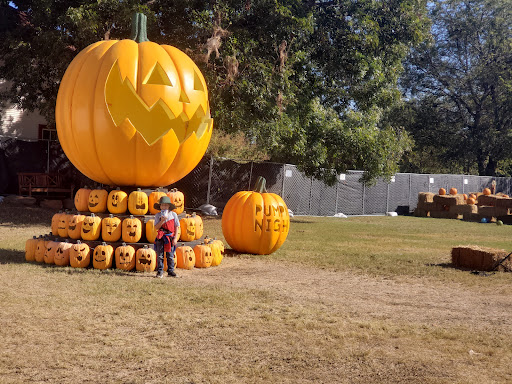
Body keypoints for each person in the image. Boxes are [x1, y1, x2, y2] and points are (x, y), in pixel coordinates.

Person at [154, 195, 180, 278]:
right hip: (161, 236)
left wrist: (175, 238)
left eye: (165, 205)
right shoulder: (158, 215)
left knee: (170, 255)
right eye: (162, 205)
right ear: (160, 206)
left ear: (169, 206)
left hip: (170, 237)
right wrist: (162, 220)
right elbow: (156, 227)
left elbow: (177, 226)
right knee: (160, 255)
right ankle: (160, 271)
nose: (164, 207)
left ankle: (170, 271)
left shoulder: (173, 215)